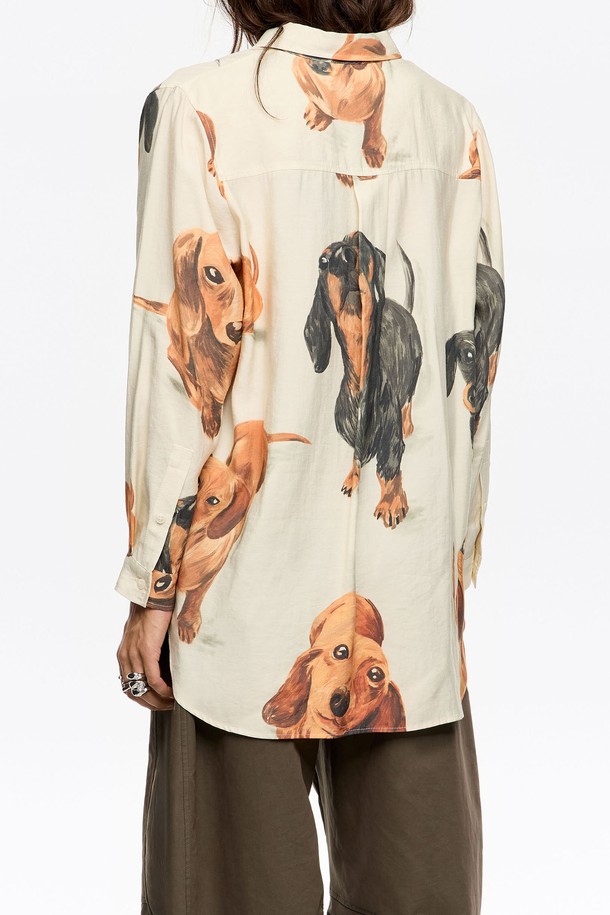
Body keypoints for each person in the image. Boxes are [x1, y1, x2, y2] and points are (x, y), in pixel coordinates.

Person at [115, 1, 505, 912]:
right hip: (409, 606)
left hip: (237, 591)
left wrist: (157, 583)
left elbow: (184, 372)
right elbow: (476, 366)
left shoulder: (198, 108)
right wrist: (451, 568)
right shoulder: (451, 120)